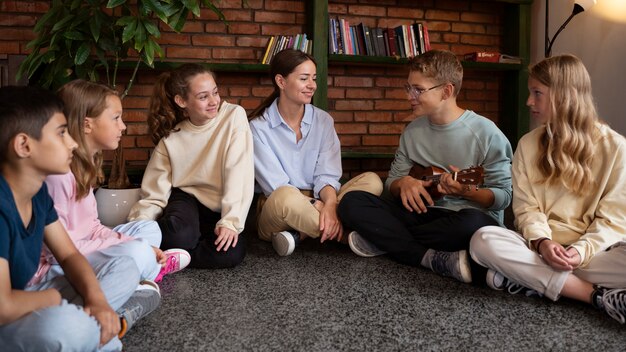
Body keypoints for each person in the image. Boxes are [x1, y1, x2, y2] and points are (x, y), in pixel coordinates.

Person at [470, 54, 626, 324]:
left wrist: (580, 251)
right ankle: (596, 296)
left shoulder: (617, 148)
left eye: (537, 93)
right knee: (482, 240)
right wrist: (543, 242)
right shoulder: (528, 144)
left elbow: (614, 220)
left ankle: (525, 279)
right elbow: (526, 209)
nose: (529, 101)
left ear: (565, 96)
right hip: (538, 249)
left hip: (594, 255)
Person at [337, 49, 513, 284]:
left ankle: (385, 241)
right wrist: (404, 183)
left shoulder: (487, 132)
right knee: (352, 201)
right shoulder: (412, 131)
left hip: (464, 219)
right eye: (408, 88)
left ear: (446, 91)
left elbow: (503, 198)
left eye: (418, 90)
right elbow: (392, 183)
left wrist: (467, 192)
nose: (410, 96)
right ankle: (428, 257)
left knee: (473, 223)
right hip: (426, 216)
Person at [36, 80, 190, 338]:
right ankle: (143, 277)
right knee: (136, 253)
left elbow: (94, 227)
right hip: (59, 264)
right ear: (87, 124)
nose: (123, 126)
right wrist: (131, 246)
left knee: (149, 229)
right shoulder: (58, 176)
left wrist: (128, 240)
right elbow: (59, 252)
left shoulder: (87, 163)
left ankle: (145, 271)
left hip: (84, 248)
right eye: (116, 118)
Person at [0, 85, 139, 351]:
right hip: (8, 309)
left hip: (28, 296)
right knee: (68, 325)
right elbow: (3, 306)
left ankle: (93, 327)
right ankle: (98, 330)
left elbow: (69, 255)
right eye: (62, 133)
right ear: (23, 145)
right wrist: (53, 298)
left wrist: (96, 300)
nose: (73, 142)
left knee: (125, 267)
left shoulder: (37, 193)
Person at [248, 49, 383, 257]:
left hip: (320, 197)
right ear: (281, 82)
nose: (312, 85)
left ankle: (298, 235)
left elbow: (327, 174)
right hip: (278, 207)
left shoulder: (323, 121)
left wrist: (330, 203)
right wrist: (322, 206)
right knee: (285, 196)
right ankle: (348, 237)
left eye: (314, 78)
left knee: (372, 181)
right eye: (304, 79)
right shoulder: (258, 128)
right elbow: (278, 187)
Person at [128, 63, 254, 269]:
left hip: (221, 204)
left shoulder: (234, 116)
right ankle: (178, 248)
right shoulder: (171, 140)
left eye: (215, 92)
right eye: (204, 97)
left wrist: (230, 223)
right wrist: (139, 229)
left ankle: (174, 258)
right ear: (181, 101)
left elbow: (238, 172)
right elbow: (153, 195)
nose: (214, 101)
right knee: (180, 236)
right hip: (186, 199)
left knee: (231, 252)